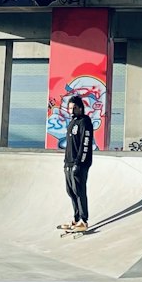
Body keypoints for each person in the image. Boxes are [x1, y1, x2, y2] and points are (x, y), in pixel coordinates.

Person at [63, 94, 94, 233]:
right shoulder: (72, 122)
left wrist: (79, 163)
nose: (71, 111)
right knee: (70, 191)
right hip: (68, 163)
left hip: (80, 163)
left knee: (79, 191)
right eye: (69, 108)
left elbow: (85, 144)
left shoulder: (85, 122)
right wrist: (67, 162)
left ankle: (83, 220)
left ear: (80, 108)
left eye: (74, 108)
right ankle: (75, 219)